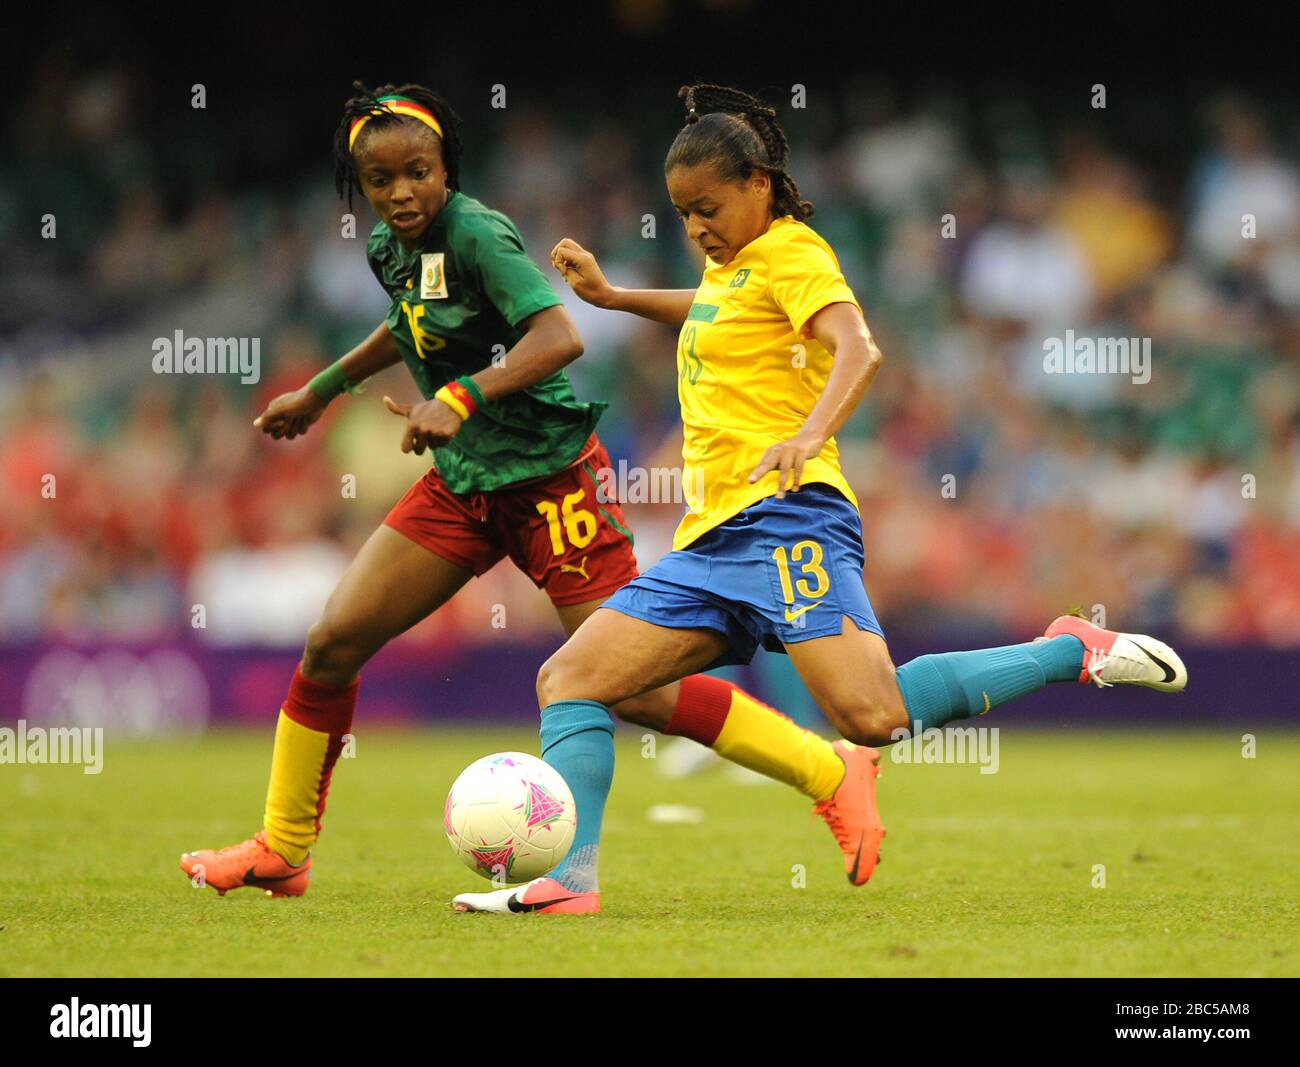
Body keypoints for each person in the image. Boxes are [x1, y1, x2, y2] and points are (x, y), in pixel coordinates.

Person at [452, 83, 1187, 916]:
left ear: (759, 184)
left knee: (871, 715)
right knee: (575, 676)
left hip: (788, 520)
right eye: (683, 214)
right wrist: (618, 299)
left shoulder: (796, 250)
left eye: (708, 208)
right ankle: (570, 880)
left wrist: (809, 433)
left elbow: (857, 346)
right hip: (712, 541)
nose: (696, 228)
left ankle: (1068, 650)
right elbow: (722, 308)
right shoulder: (734, 266)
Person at [180, 83, 886, 903]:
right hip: (466, 478)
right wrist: (325, 387)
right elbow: (412, 322)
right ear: (359, 185)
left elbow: (560, 334)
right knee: (332, 641)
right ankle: (284, 846)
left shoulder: (480, 234)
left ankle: (827, 768)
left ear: (448, 168)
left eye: (418, 173)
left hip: (553, 480)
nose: (401, 193)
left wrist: (461, 396)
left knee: (639, 690)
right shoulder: (388, 247)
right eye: (380, 181)